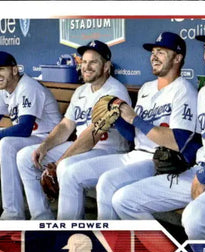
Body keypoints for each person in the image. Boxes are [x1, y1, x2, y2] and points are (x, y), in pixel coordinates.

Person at [104, 21, 205, 240]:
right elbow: (200, 142)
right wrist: (183, 157)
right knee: (124, 199)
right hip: (199, 172)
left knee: (194, 218)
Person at [51, 31, 197, 221]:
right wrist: (117, 119)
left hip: (158, 160)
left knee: (107, 182)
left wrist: (134, 118)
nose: (154, 56)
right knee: (71, 173)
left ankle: (110, 244)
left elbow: (177, 141)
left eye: (161, 52)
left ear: (177, 58)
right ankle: (69, 233)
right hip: (135, 153)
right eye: (153, 51)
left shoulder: (184, 90)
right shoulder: (147, 88)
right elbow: (132, 135)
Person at [16, 40, 131, 220]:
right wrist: (44, 146)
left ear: (106, 66)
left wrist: (58, 163)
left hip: (108, 150)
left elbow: (92, 135)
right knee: (25, 157)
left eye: (93, 62)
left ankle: (70, 228)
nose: (86, 66)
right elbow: (66, 125)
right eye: (84, 62)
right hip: (82, 147)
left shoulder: (115, 91)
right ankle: (41, 218)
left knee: (66, 169)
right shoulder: (81, 91)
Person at [0, 51, 62, 220]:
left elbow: (24, 128)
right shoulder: (4, 89)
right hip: (28, 139)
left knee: (6, 145)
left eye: (1, 69)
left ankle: (13, 213)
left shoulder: (28, 87)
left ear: (14, 70)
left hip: (48, 138)